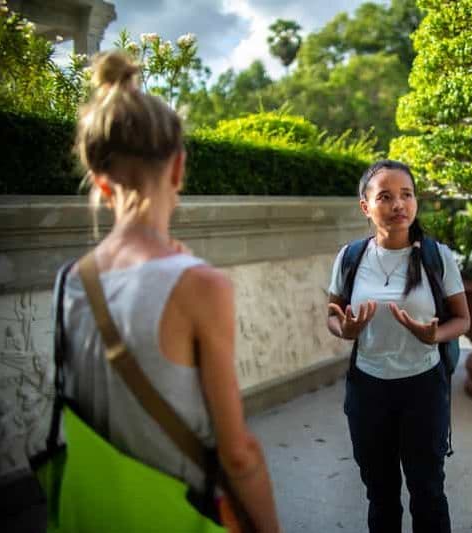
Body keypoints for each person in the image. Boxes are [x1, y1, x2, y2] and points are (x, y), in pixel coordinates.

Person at [59, 51, 280, 532]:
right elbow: (237, 455)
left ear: (99, 180)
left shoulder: (71, 281)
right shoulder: (200, 286)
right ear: (178, 167)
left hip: (90, 512)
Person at [326, 159, 470, 533]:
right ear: (366, 207)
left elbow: (462, 319)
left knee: (428, 493)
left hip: (423, 387)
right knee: (381, 494)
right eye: (385, 197)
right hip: (368, 388)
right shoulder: (350, 257)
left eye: (406, 195)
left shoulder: (438, 258)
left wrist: (433, 336)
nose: (398, 205)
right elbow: (333, 313)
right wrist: (345, 329)